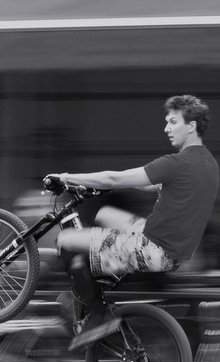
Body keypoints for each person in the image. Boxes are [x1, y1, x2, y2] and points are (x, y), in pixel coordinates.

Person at [45, 95, 219, 343]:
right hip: (173, 248)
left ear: (191, 126)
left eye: (173, 122)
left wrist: (66, 178)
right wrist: (105, 185)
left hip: (151, 248)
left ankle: (97, 314)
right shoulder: (208, 164)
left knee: (66, 240)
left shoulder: (176, 163)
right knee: (105, 214)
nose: (166, 128)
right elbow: (152, 185)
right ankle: (104, 275)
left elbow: (114, 178)